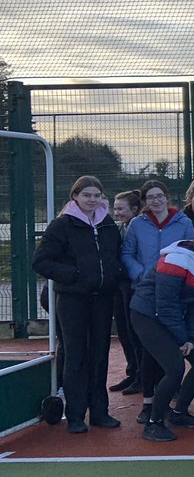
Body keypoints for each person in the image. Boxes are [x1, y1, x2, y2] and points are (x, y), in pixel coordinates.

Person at [32, 176, 124, 433]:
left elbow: (114, 255)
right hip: (72, 300)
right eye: (86, 195)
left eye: (96, 195)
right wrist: (74, 275)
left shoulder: (107, 224)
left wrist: (114, 273)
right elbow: (41, 261)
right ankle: (75, 415)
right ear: (75, 196)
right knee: (76, 356)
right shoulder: (62, 225)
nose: (91, 200)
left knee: (100, 355)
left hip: (102, 299)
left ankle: (100, 412)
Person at [129, 221, 194, 441]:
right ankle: (154, 423)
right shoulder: (176, 260)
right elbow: (166, 305)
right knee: (175, 368)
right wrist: (183, 339)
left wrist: (191, 337)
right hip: (147, 316)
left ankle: (179, 413)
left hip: (170, 318)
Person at [122, 180, 193, 411]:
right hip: (145, 293)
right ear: (145, 201)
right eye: (151, 197)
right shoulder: (137, 224)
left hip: (172, 293)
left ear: (167, 197)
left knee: (168, 347)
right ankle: (148, 401)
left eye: (159, 195)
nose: (156, 200)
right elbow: (127, 254)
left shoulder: (183, 222)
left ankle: (169, 398)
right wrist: (141, 273)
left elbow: (191, 251)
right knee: (148, 350)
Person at [109, 189, 144, 395]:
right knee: (123, 329)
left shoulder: (139, 227)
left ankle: (142, 375)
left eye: (121, 209)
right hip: (119, 284)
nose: (117, 212)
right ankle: (133, 371)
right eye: (115, 208)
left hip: (133, 284)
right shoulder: (120, 227)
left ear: (134, 209)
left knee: (134, 331)